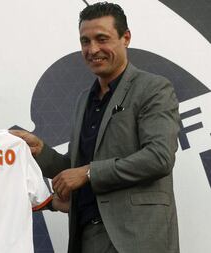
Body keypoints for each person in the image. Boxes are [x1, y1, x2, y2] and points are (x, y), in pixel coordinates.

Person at [12, 2, 180, 253]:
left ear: (126, 38)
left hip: (135, 239)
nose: (93, 49)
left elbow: (159, 157)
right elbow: (74, 170)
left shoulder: (153, 88)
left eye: (102, 39)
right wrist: (40, 151)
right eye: (85, 41)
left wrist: (89, 173)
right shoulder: (84, 99)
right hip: (87, 236)